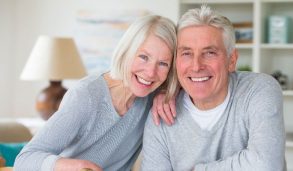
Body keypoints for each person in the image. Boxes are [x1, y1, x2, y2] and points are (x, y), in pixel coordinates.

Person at [14, 14, 177, 171]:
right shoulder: (86, 96)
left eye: (163, 63)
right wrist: (74, 166)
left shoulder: (153, 96)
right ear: (126, 51)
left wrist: (169, 92)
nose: (150, 72)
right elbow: (25, 160)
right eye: (143, 57)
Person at [141, 5, 286, 171]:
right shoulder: (161, 115)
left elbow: (266, 165)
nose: (196, 66)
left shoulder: (259, 90)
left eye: (209, 53)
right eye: (186, 53)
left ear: (231, 60)